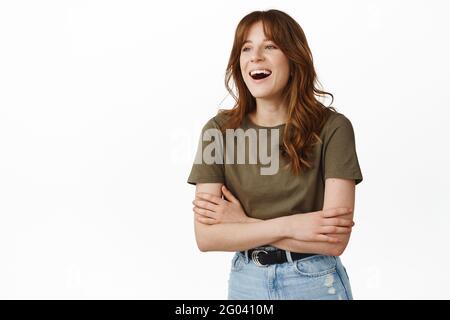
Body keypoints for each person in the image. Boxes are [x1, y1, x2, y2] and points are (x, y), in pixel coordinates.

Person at [187, 9, 363, 300]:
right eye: (246, 48)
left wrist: (242, 224)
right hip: (247, 282)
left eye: (270, 46)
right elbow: (206, 237)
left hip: (315, 281)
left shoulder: (333, 128)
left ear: (294, 59)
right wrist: (292, 225)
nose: (255, 56)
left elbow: (334, 241)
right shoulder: (218, 131)